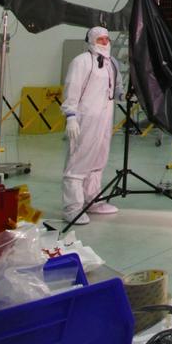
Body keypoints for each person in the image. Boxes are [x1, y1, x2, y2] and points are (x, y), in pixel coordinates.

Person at [61, 26, 119, 224]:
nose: (105, 43)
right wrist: (70, 115)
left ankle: (93, 200)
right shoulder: (81, 62)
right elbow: (72, 89)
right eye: (100, 39)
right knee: (78, 162)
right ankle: (72, 208)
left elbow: (115, 90)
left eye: (107, 39)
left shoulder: (111, 64)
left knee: (98, 161)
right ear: (91, 41)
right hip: (85, 119)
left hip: (104, 119)